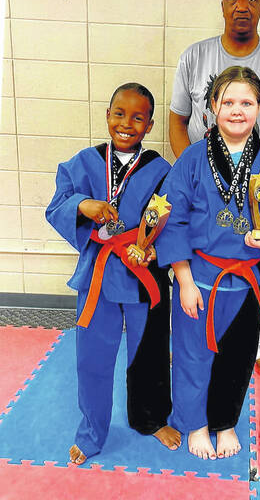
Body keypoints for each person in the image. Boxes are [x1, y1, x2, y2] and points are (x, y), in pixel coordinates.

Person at [157, 67, 260, 460]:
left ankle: (224, 422)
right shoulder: (191, 159)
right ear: (211, 108)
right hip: (201, 278)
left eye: (247, 102)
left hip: (247, 281)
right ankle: (195, 424)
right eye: (228, 102)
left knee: (237, 359)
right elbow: (172, 220)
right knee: (193, 353)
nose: (237, 110)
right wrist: (184, 280)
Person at [169, 0, 260, 378]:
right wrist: (193, 170)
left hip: (256, 186)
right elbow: (178, 119)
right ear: (223, 5)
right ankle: (193, 336)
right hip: (204, 183)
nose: (242, 5)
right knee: (198, 257)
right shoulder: (195, 56)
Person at [46, 83, 181, 465]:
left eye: (138, 117)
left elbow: (173, 218)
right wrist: (83, 205)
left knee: (150, 355)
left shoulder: (160, 169)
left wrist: (157, 246)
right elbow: (58, 203)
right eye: (119, 113)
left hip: (144, 276)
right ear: (107, 116)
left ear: (150, 124)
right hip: (98, 277)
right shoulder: (84, 162)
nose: (127, 123)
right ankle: (91, 434)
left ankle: (150, 420)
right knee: (92, 358)